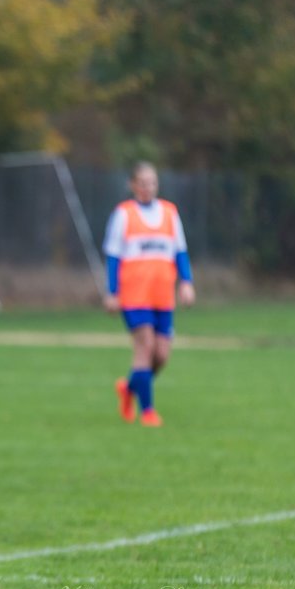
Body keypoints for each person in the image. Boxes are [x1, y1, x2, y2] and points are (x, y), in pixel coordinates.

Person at [101, 162, 196, 427]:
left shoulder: (169, 213)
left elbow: (180, 252)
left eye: (152, 182)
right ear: (133, 185)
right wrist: (112, 292)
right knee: (145, 347)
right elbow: (113, 257)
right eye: (142, 183)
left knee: (161, 355)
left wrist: (186, 282)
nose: (147, 187)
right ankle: (148, 412)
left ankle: (129, 388)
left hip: (162, 295)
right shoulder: (123, 215)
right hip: (134, 295)